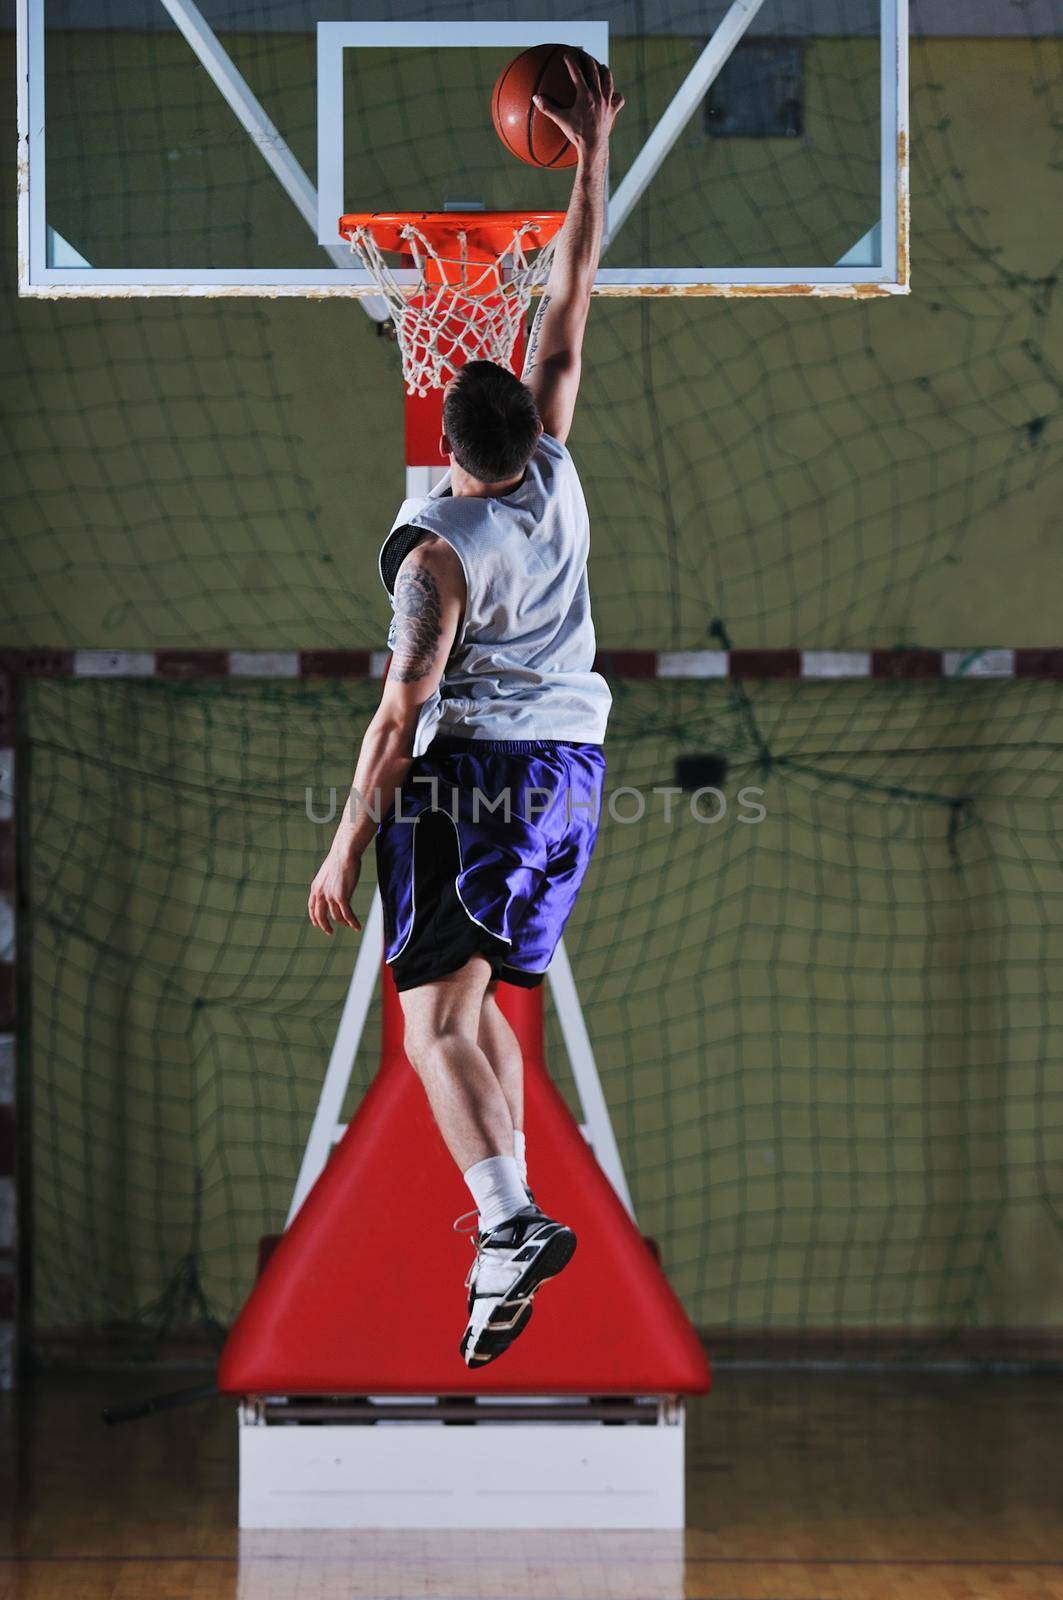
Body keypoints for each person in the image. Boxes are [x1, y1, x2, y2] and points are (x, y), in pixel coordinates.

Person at [308, 52, 624, 1367]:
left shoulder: (436, 555)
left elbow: (398, 720)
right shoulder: (555, 469)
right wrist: (590, 159)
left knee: (427, 1023)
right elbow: (569, 299)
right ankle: (510, 1226)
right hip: (574, 785)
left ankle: (504, 1217)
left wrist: (340, 846)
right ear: (526, 422)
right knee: (473, 1009)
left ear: (449, 433)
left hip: (477, 785)